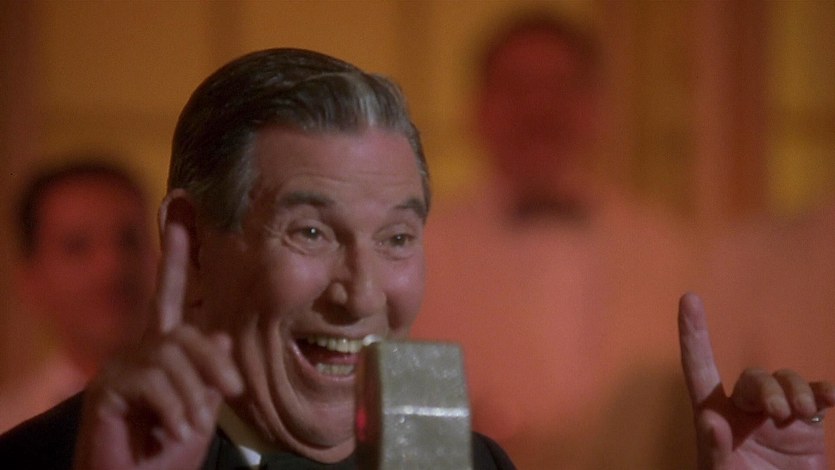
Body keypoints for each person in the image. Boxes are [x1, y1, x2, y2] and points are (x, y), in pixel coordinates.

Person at [0, 47, 831, 470]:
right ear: (190, 241)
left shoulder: (463, 462)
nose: (363, 291)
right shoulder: (53, 460)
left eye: (396, 238)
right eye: (311, 232)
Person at [410, 12, 696, 468]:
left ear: (597, 108)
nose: (539, 109)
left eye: (561, 87)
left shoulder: (669, 249)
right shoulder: (421, 251)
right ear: (478, 108)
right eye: (517, 88)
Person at [0, 160, 156, 433]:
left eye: (129, 239)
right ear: (30, 279)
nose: (111, 267)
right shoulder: (11, 429)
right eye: (77, 247)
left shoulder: (218, 411)